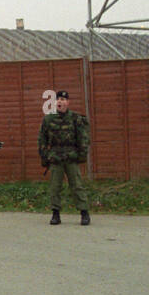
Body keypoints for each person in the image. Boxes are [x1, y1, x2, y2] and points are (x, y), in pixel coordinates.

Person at [38, 90, 90, 225]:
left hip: (71, 157)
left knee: (77, 185)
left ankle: (84, 213)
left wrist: (81, 156)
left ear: (68, 102)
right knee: (55, 187)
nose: (60, 102)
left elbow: (83, 139)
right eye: (58, 99)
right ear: (55, 102)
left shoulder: (75, 119)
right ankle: (55, 214)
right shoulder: (48, 119)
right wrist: (45, 157)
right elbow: (42, 139)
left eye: (63, 99)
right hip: (55, 157)